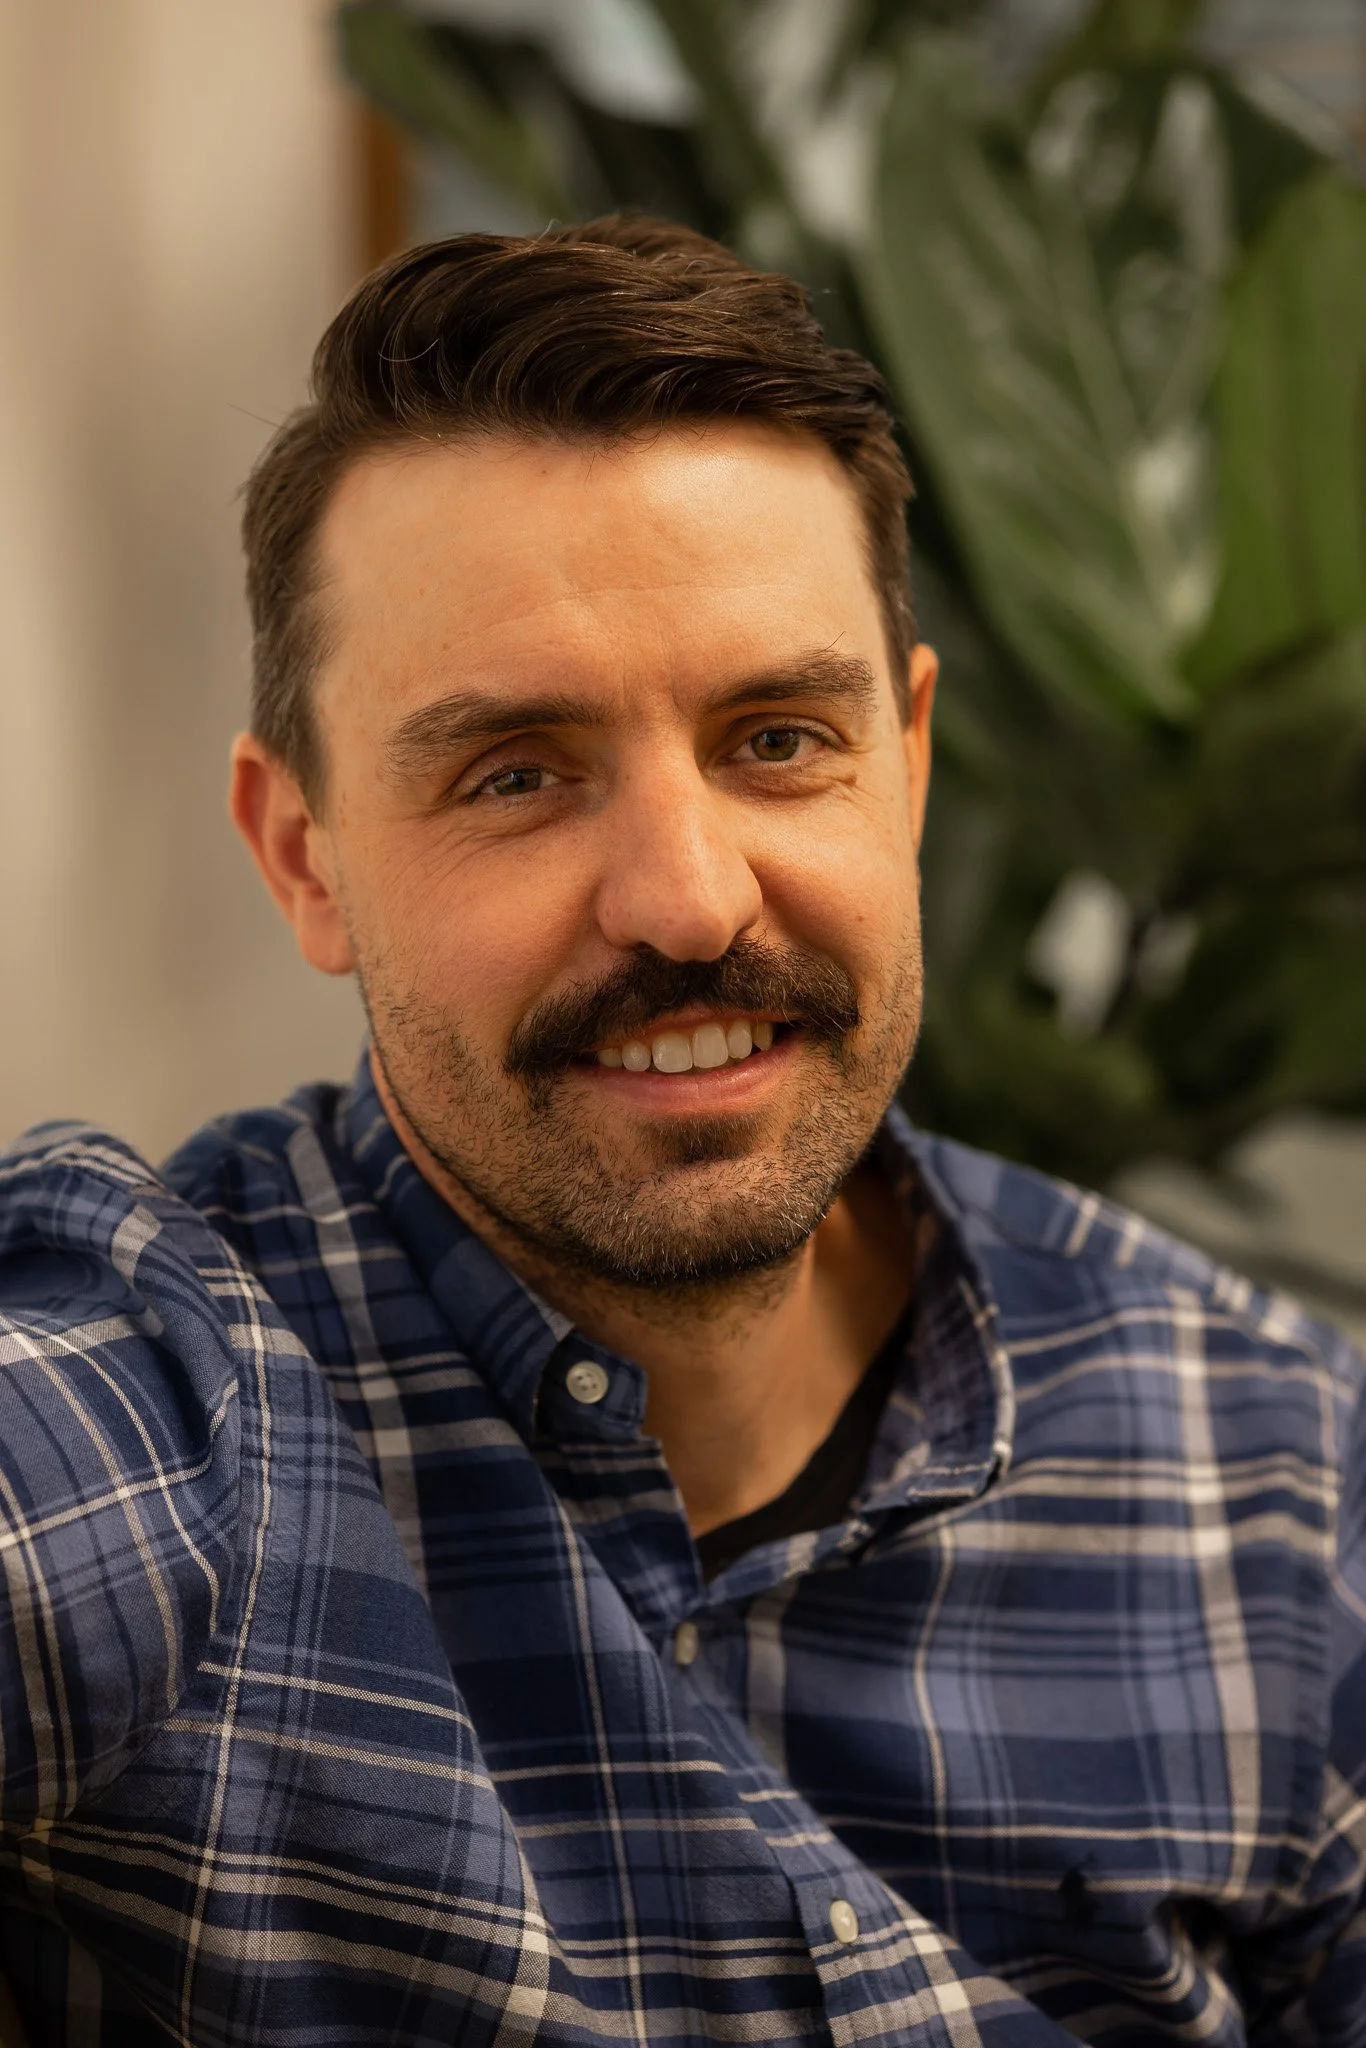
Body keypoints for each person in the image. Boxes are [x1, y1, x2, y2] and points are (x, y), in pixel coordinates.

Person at [0, 216, 1362, 2048]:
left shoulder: (1274, 1468)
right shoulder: (166, 1408)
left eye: (778, 739)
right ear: (303, 854)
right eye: (517, 774)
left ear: (910, 760)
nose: (687, 899)